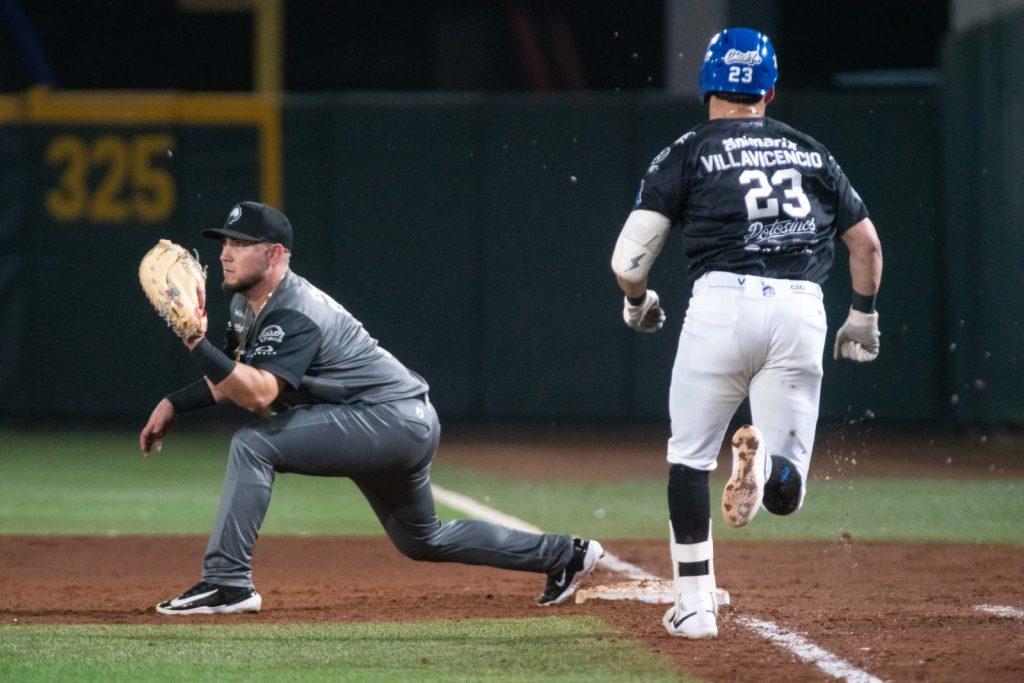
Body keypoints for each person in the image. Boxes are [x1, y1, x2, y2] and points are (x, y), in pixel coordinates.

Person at [140, 201, 603, 615]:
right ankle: (565, 555)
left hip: (391, 419)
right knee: (423, 540)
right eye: (225, 241)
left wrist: (194, 341)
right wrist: (174, 404)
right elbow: (236, 380)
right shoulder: (248, 306)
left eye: (240, 243)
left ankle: (227, 582)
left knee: (253, 444)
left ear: (274, 254)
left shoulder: (294, 309)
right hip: (395, 420)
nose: (225, 252)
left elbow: (259, 394)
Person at [610, 28, 882, 639]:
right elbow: (866, 244)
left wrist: (639, 301)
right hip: (800, 311)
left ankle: (696, 607)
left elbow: (628, 262)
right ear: (770, 89)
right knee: (789, 491)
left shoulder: (686, 151)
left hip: (722, 305)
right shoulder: (811, 151)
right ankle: (766, 478)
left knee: (688, 458)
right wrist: (862, 315)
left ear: (708, 83)